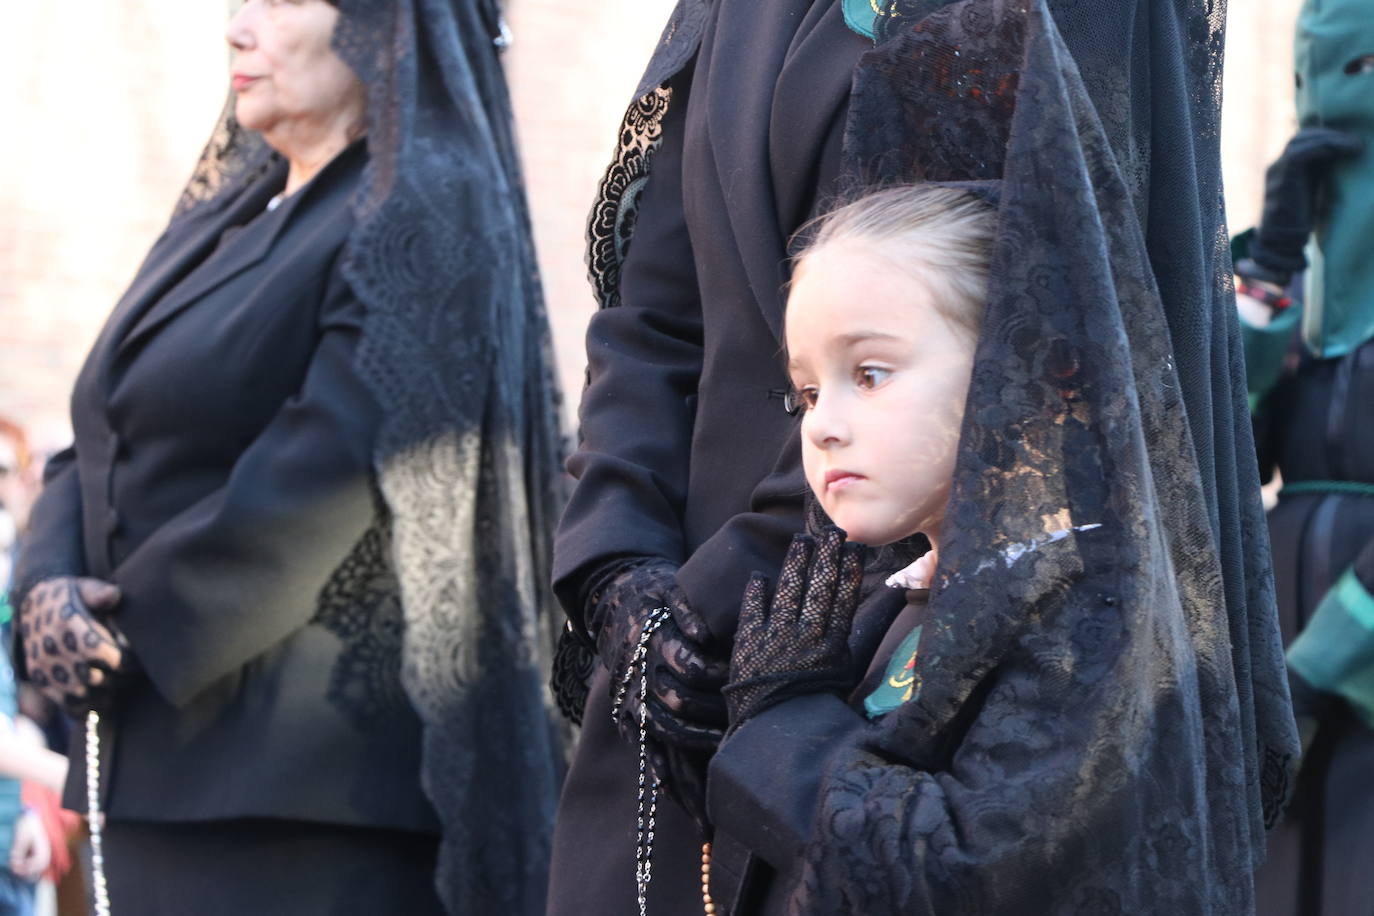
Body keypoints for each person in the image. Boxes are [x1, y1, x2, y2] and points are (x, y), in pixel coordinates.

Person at [548, 0, 1297, 912]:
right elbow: (656, 314)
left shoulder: (1071, 627)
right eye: (806, 394)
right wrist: (619, 566)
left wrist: (764, 679)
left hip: (846, 609)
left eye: (860, 376)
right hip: (703, 646)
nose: (820, 419)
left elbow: (962, 861)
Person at [11, 1, 567, 913]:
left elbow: (326, 475)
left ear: (387, 26)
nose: (238, 28)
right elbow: (98, 420)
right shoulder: (228, 213)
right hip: (158, 766)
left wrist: (116, 628)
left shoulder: (421, 212)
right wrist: (46, 587)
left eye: (280, 1)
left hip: (302, 809)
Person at [1233, 1, 1374, 913]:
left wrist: (1322, 663)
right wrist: (1269, 278)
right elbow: (1219, 458)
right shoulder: (1294, 284)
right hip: (1272, 641)